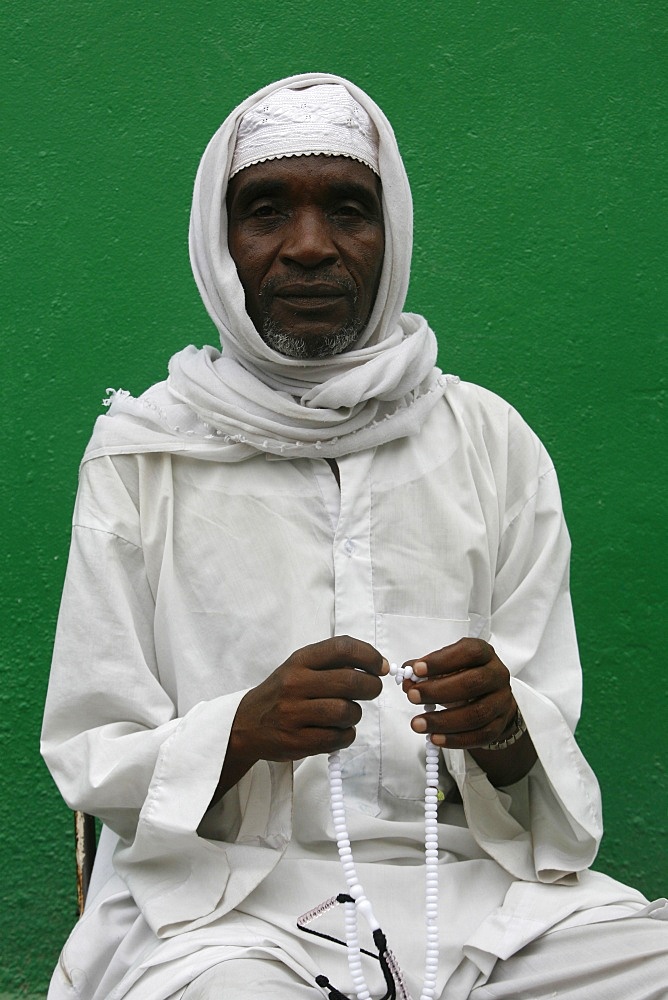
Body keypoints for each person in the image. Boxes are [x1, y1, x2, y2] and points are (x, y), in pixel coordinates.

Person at [41, 73, 667, 1000]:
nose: (307, 248)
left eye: (348, 210)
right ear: (220, 244)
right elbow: (93, 747)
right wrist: (242, 732)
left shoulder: (491, 442)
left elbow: (542, 741)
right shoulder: (144, 453)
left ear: (393, 232)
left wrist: (503, 728)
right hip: (222, 911)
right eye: (264, 212)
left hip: (475, 894)